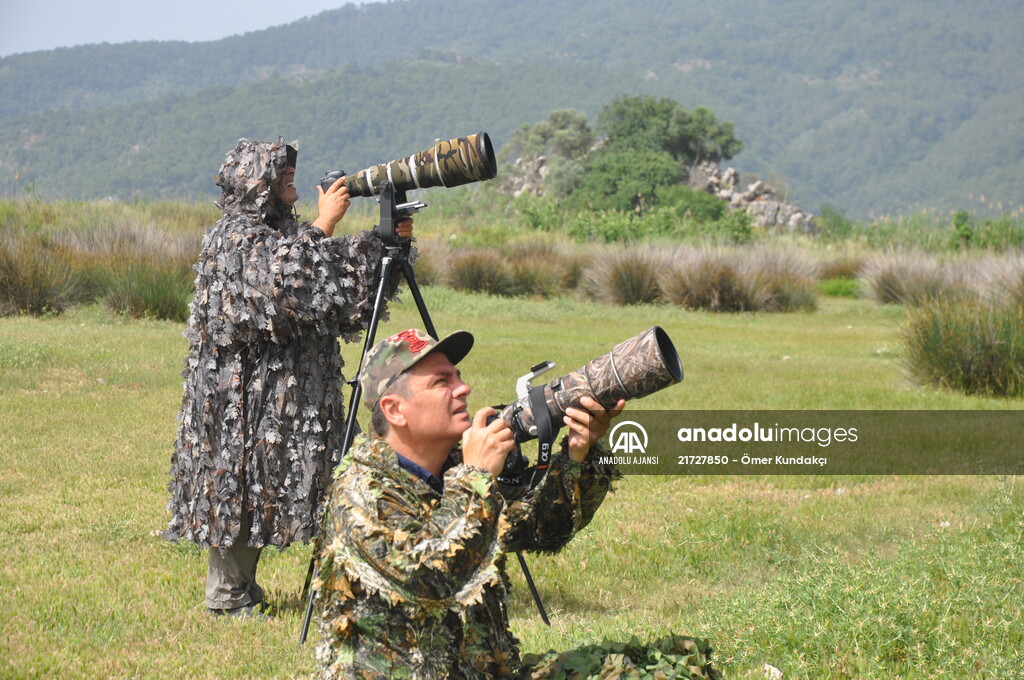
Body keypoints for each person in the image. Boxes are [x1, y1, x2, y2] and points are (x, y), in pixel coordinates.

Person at [164, 137, 412, 618]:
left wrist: (386, 244)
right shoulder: (232, 239)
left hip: (294, 401)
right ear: (255, 182)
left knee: (334, 479)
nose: (290, 176)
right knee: (240, 490)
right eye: (280, 171)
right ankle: (229, 596)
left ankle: (367, 578)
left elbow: (332, 284)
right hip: (243, 405)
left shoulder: (286, 236)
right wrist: (324, 223)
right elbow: (281, 285)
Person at [311, 328, 625, 679]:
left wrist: (576, 454)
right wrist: (476, 476)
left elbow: (542, 531)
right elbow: (431, 578)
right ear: (395, 409)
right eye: (441, 381)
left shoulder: (452, 471)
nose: (463, 388)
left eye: (458, 376)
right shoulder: (360, 491)